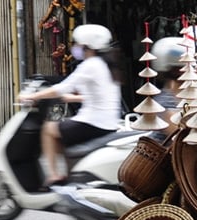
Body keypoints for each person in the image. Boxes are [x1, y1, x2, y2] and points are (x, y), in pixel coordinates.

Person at [19, 24, 122, 186]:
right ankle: (70, 176)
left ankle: (53, 175)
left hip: (93, 122)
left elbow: (62, 87)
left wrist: (32, 96)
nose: (75, 48)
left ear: (87, 46)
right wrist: (70, 98)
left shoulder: (90, 64)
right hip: (107, 123)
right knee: (61, 137)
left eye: (77, 44)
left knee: (48, 129)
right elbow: (96, 96)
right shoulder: (106, 66)